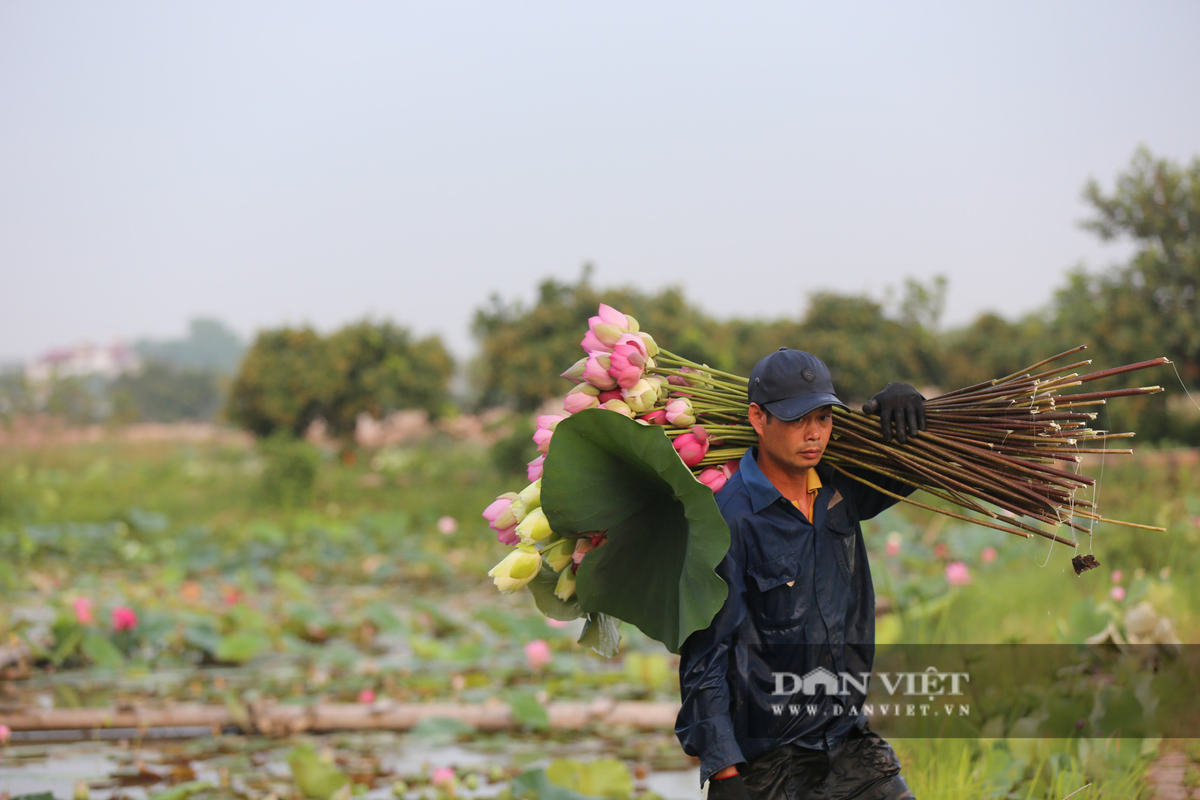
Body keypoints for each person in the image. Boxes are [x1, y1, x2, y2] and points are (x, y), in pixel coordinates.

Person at [675, 347, 925, 800]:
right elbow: (705, 657)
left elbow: (921, 466)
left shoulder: (841, 491)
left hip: (843, 739)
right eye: (795, 420)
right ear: (758, 417)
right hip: (768, 762)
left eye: (823, 418)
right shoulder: (729, 521)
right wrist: (724, 772)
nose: (813, 434)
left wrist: (910, 406)